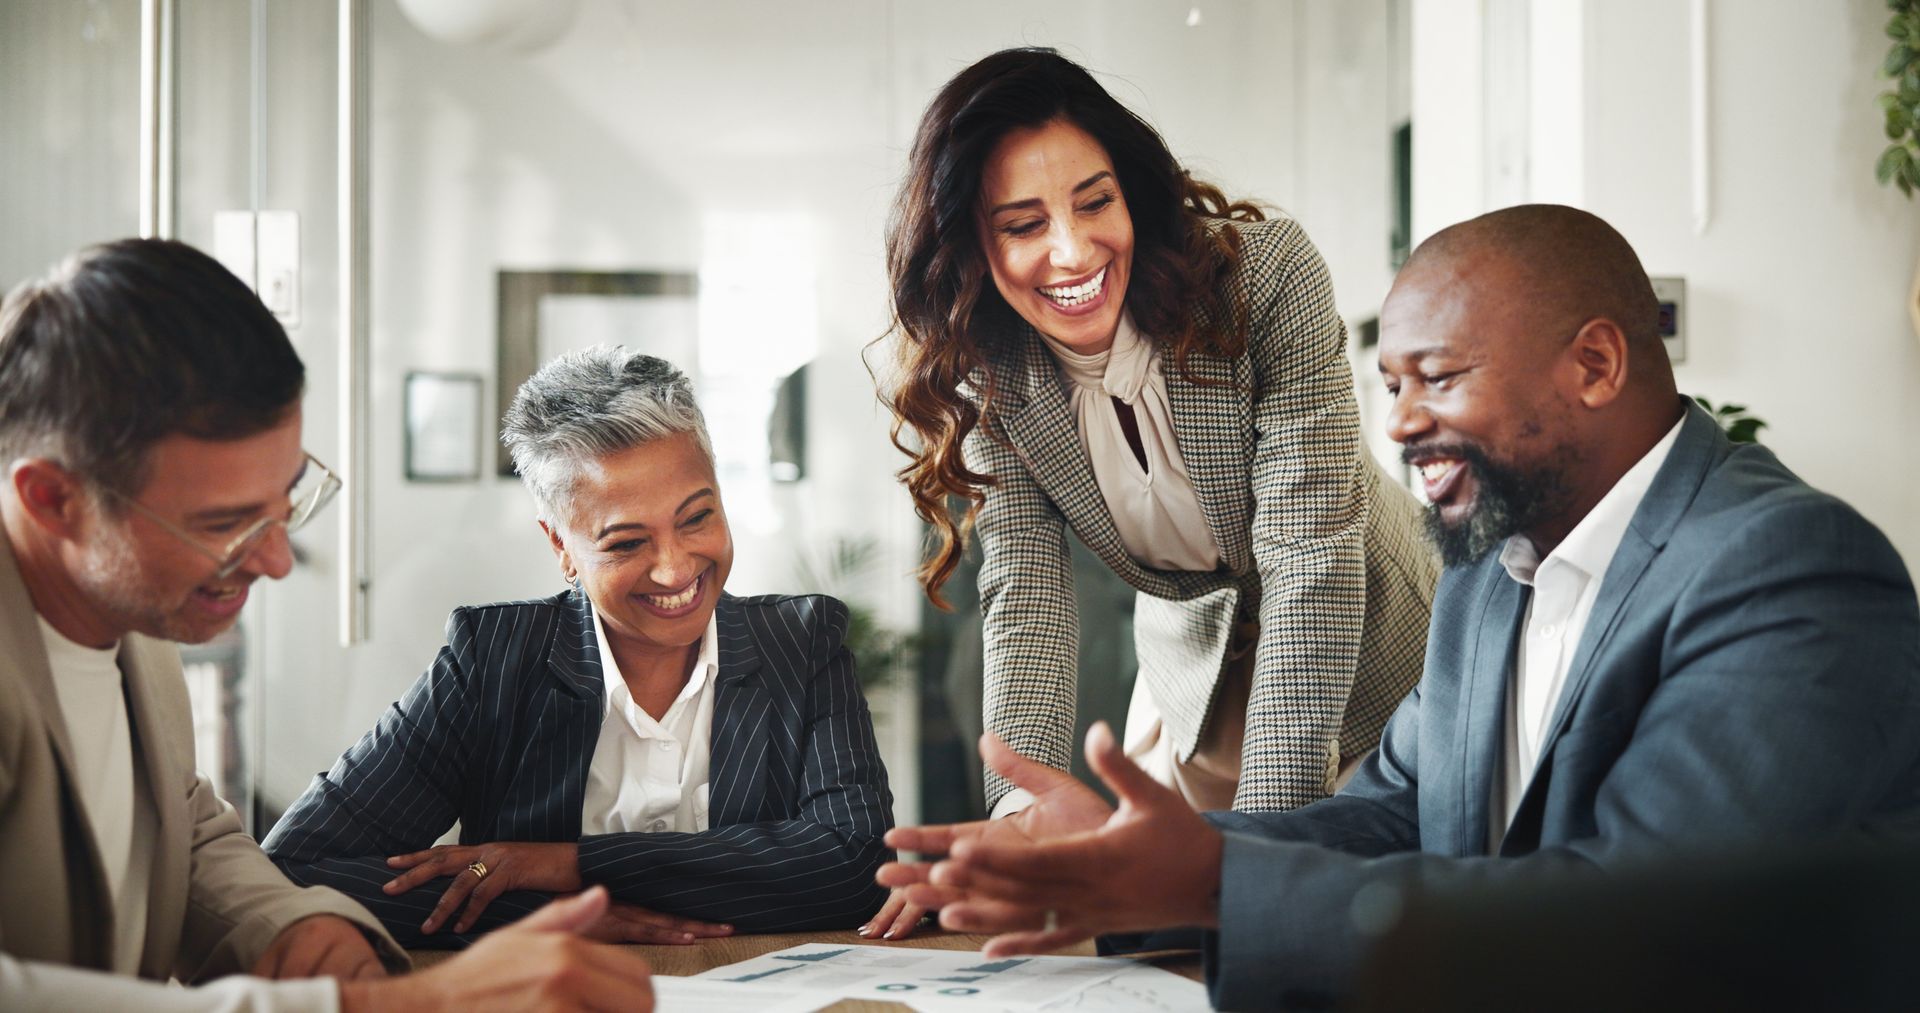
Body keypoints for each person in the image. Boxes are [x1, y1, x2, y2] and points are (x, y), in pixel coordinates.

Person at [877, 205, 1920, 1006]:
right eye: (1391, 386)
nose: (1406, 423)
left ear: (1596, 364)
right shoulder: (1485, 570)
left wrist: (1211, 885)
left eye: (1440, 378)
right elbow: (1396, 813)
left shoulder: (1783, 565)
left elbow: (1641, 917)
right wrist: (1118, 857)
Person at [866, 45, 1438, 939]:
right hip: (1191, 679)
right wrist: (1021, 805)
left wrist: (1256, 859)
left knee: (1343, 933)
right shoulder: (995, 366)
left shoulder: (1262, 277)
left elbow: (1310, 559)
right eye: (1022, 223)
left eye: (1095, 202)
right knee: (1161, 944)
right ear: (973, 244)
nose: (1071, 249)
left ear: (1132, 190)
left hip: (1367, 643)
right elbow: (1027, 597)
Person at [0, 239, 655, 1010]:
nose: (277, 560)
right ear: (52, 499)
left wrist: (296, 929)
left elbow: (178, 820)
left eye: (287, 501)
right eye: (227, 524)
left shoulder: (133, 617)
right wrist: (379, 1006)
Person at [264, 347, 895, 947]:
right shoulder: (494, 661)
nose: (675, 569)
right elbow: (294, 871)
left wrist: (565, 865)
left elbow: (853, 864)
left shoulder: (801, 642)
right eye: (625, 543)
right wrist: (544, 914)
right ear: (560, 545)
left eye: (697, 517)